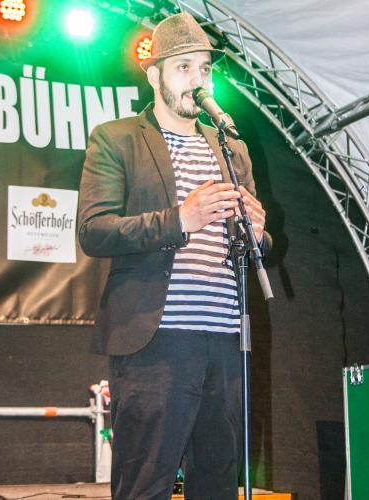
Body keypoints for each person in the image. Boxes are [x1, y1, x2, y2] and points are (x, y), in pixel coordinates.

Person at [78, 12, 270, 500]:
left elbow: (255, 245)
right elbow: (94, 231)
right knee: (145, 484)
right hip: (156, 343)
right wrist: (180, 219)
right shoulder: (117, 138)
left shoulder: (231, 149)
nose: (197, 80)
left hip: (225, 342)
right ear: (154, 75)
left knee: (218, 484)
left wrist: (259, 234)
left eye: (204, 69)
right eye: (184, 67)